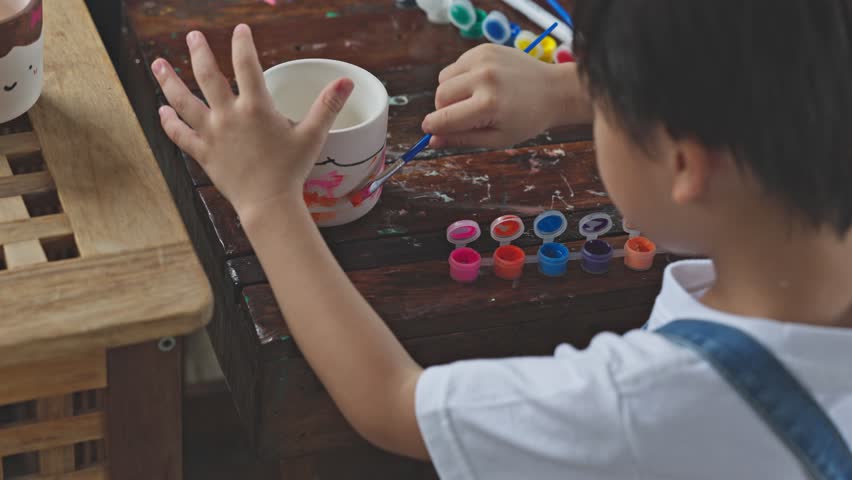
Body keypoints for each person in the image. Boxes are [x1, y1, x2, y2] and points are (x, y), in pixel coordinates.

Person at [150, 0, 852, 477]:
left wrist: (268, 200)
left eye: (606, 99)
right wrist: (567, 91)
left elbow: (390, 403)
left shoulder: (638, 406)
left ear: (685, 166)